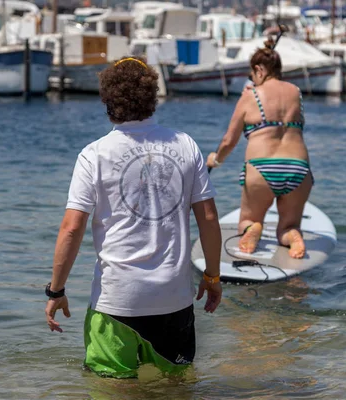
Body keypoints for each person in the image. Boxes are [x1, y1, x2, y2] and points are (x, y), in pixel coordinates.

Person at [44, 57, 223, 379]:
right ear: (153, 96)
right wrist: (212, 276)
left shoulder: (94, 154)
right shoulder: (185, 145)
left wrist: (56, 291)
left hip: (117, 300)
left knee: (112, 391)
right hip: (174, 298)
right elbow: (208, 218)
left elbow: (72, 229)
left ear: (107, 99)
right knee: (175, 388)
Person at [206, 39, 313, 259]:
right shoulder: (296, 93)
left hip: (262, 169)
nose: (252, 80)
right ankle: (292, 235)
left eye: (252, 75)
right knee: (288, 225)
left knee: (248, 219)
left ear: (259, 70)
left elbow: (229, 140)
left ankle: (252, 229)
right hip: (299, 169)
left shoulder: (250, 96)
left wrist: (215, 160)